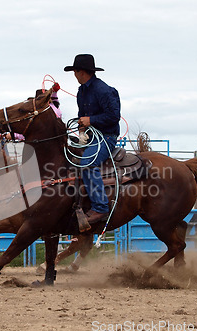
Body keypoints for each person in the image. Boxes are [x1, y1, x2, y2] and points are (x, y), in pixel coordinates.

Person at [64, 54, 121, 225]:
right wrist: (82, 127)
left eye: (75, 71)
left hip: (107, 137)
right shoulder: (81, 92)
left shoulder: (104, 90)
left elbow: (114, 116)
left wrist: (91, 120)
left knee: (87, 163)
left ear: (81, 72)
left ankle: (101, 207)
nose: (74, 75)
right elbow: (83, 115)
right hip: (91, 137)